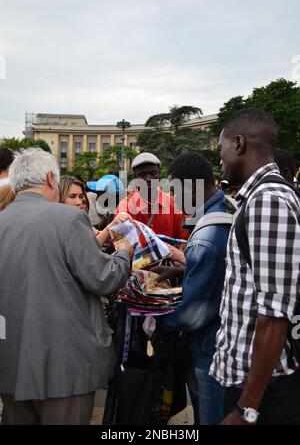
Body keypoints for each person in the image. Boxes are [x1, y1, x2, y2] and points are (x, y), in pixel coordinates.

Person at [0, 148, 134, 425]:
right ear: (51, 178)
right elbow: (103, 278)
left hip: (9, 365)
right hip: (64, 368)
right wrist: (124, 252)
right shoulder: (68, 219)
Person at [210, 109, 300, 425]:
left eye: (220, 149)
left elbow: (274, 315)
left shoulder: (268, 201)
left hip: (265, 393)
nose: (219, 159)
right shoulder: (256, 198)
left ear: (238, 144)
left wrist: (246, 409)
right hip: (254, 386)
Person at [155, 152, 233, 424]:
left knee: (209, 417)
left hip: (207, 349)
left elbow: (193, 314)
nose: (173, 199)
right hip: (224, 340)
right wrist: (180, 270)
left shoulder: (205, 237)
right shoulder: (227, 208)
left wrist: (158, 324)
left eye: (175, 191)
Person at [115, 152, 189, 239]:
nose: (148, 179)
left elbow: (182, 242)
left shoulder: (174, 205)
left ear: (159, 174)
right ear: (135, 177)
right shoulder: (125, 207)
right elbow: (119, 242)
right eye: (142, 175)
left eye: (153, 174)